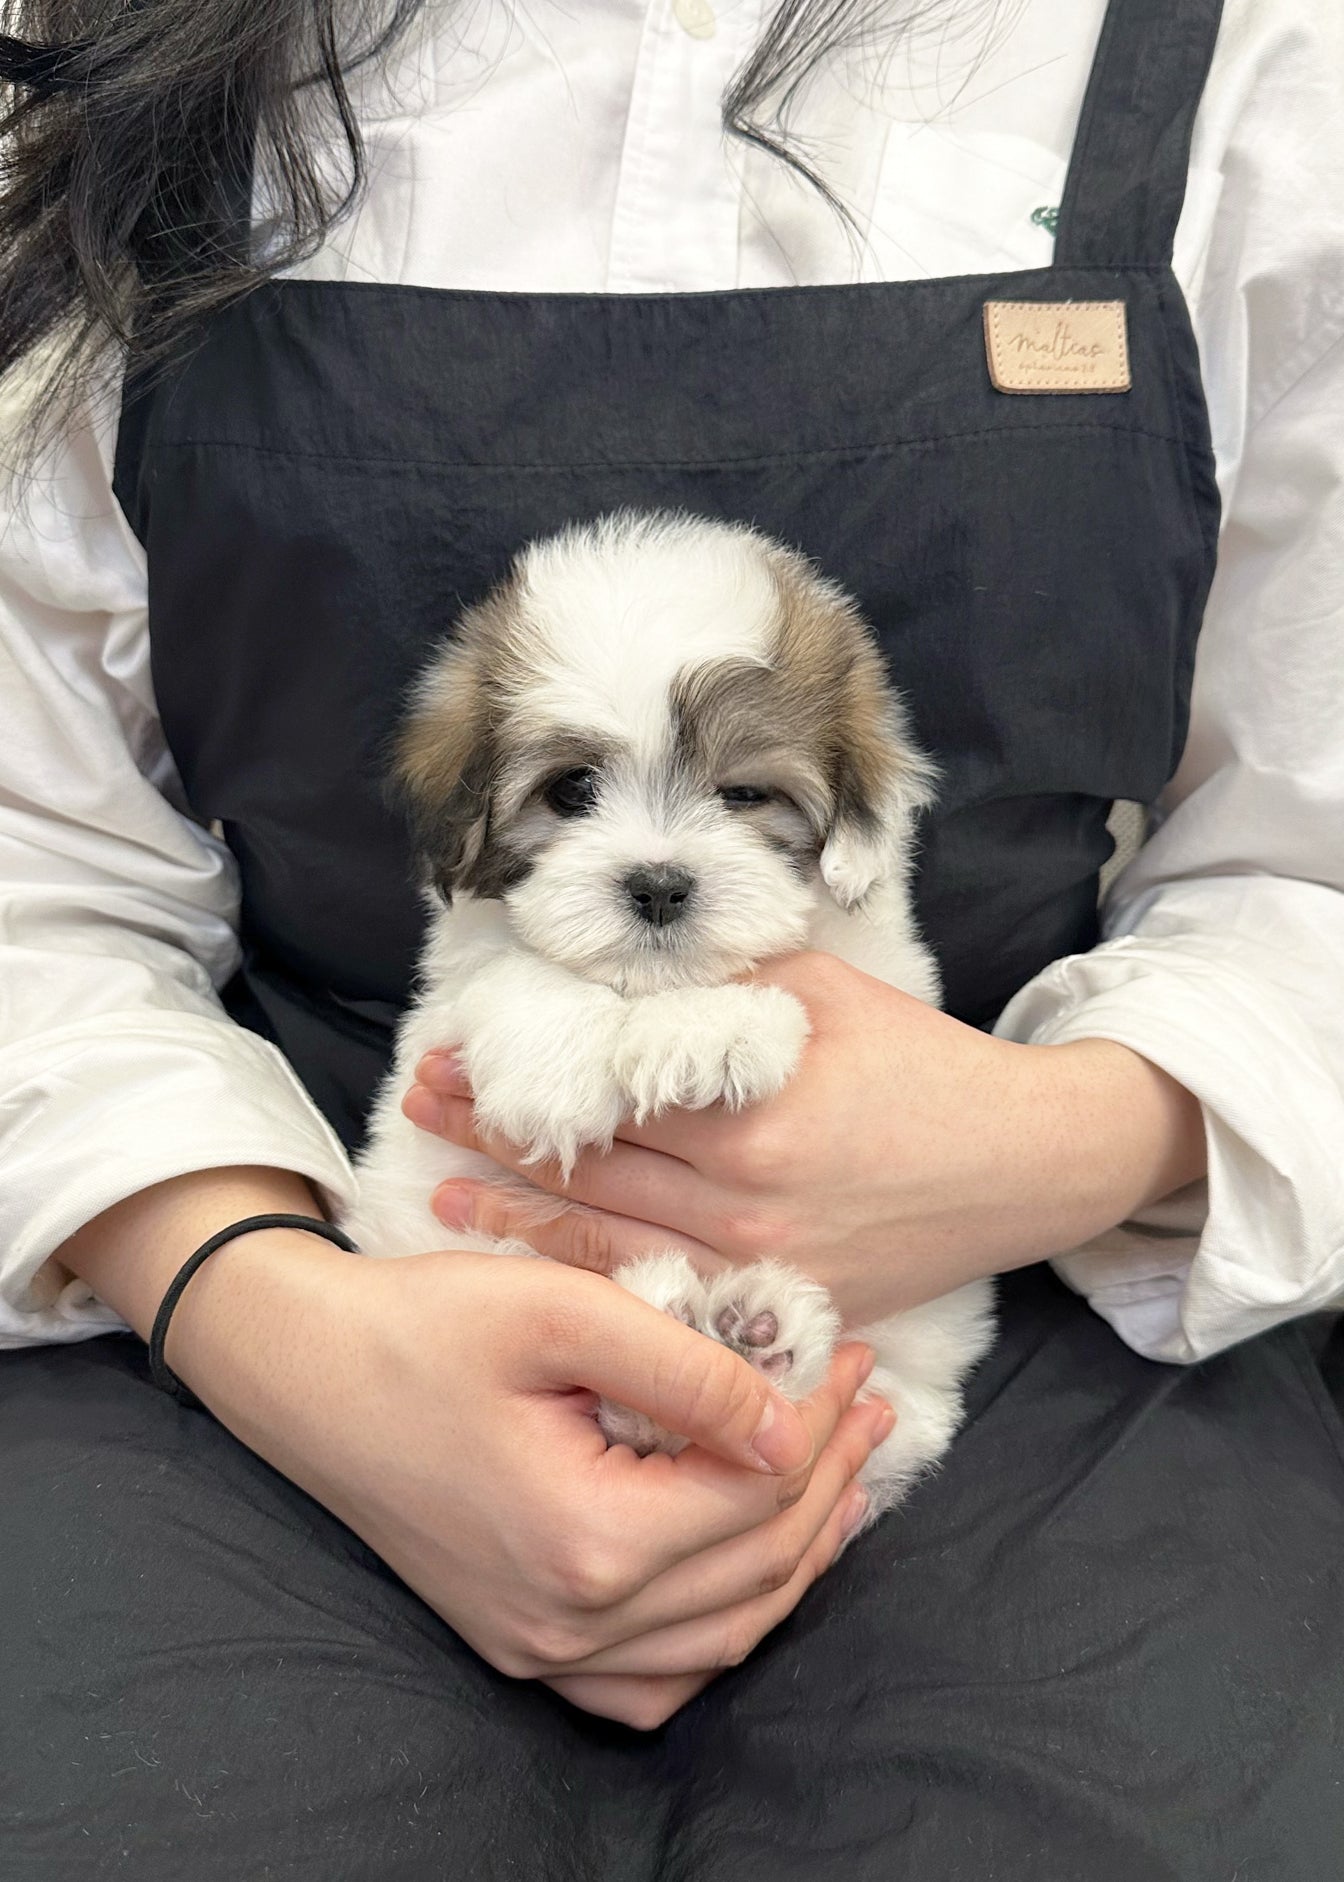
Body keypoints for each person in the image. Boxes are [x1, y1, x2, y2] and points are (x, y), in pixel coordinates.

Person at [1, 0, 1342, 1874]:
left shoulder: (1275, 60)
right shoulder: (128, 51)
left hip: (1055, 1303)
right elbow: (30, 870)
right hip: (271, 1264)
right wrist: (262, 1306)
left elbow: (1309, 863)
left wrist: (1054, 1142)